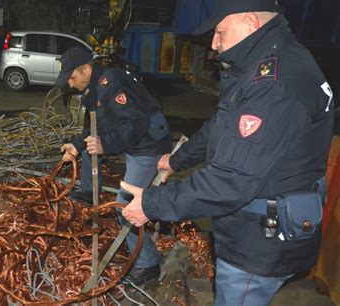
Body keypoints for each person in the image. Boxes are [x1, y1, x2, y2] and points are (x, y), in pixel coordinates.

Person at [121, 0, 335, 304]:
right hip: (259, 229)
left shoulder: (274, 84)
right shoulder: (267, 63)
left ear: (249, 21)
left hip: (258, 243)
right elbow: (221, 126)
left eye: (220, 32)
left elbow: (230, 181)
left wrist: (152, 204)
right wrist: (177, 159)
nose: (214, 43)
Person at [56, 47, 172, 285]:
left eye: (72, 76)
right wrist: (78, 145)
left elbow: (137, 123)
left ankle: (147, 265)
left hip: (147, 144)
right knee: (91, 149)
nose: (69, 82)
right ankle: (89, 191)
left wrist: (105, 144)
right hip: (134, 141)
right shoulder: (94, 88)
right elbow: (97, 126)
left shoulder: (111, 85)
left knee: (125, 205)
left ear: (86, 69)